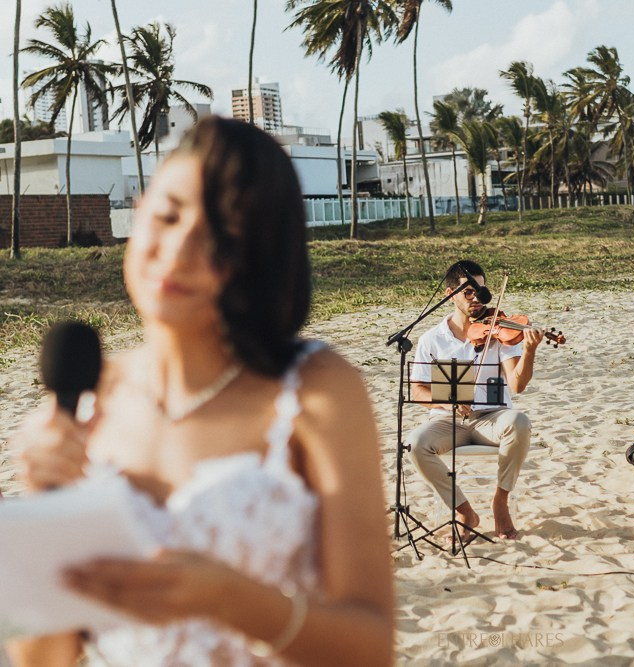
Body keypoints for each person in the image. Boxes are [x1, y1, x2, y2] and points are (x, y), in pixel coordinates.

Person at [7, 117, 393, 666]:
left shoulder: (315, 391)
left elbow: (372, 648)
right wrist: (43, 502)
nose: (180, 249)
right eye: (167, 216)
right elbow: (41, 657)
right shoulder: (88, 402)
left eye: (220, 235)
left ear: (258, 259)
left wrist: (231, 600)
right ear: (138, 213)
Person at [407, 260, 542, 542]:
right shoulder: (432, 339)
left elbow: (517, 385)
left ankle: (500, 503)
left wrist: (528, 351)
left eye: (481, 291)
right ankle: (465, 512)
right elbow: (418, 389)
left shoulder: (500, 333)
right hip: (448, 421)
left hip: (491, 419)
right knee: (416, 444)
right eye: (468, 292)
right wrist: (447, 402)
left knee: (519, 422)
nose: (477, 299)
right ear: (449, 294)